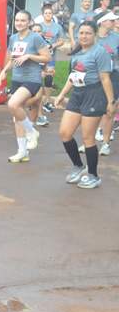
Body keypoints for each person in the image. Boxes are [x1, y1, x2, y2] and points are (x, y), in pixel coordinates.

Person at [55, 20, 114, 188]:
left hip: (94, 94)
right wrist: (61, 95)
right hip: (77, 94)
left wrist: (110, 102)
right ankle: (78, 166)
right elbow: (73, 76)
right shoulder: (78, 51)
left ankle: (93, 175)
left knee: (88, 137)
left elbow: (105, 79)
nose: (84, 36)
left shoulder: (100, 52)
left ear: (95, 35)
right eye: (81, 33)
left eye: (88, 33)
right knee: (65, 133)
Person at [0, 10, 50, 163]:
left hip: (32, 79)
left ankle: (32, 131)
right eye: (17, 20)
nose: (19, 23)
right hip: (17, 79)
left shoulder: (35, 37)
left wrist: (29, 56)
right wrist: (4, 72)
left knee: (13, 104)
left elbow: (47, 57)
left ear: (29, 22)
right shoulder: (13, 38)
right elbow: (12, 59)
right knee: (17, 116)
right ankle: (22, 152)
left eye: (23, 20)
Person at [94, 12, 119, 155]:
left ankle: (105, 143)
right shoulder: (92, 37)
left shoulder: (116, 38)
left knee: (110, 109)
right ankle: (89, 141)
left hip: (113, 75)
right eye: (111, 20)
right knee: (92, 110)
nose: (115, 22)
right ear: (102, 22)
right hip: (94, 77)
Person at [37, 5, 66, 126]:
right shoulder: (39, 26)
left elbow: (62, 40)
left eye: (50, 13)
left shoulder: (57, 27)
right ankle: (36, 101)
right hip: (38, 56)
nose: (48, 15)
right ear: (43, 15)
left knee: (49, 78)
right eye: (46, 13)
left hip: (51, 56)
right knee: (38, 77)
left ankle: (47, 101)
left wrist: (53, 45)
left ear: (52, 14)